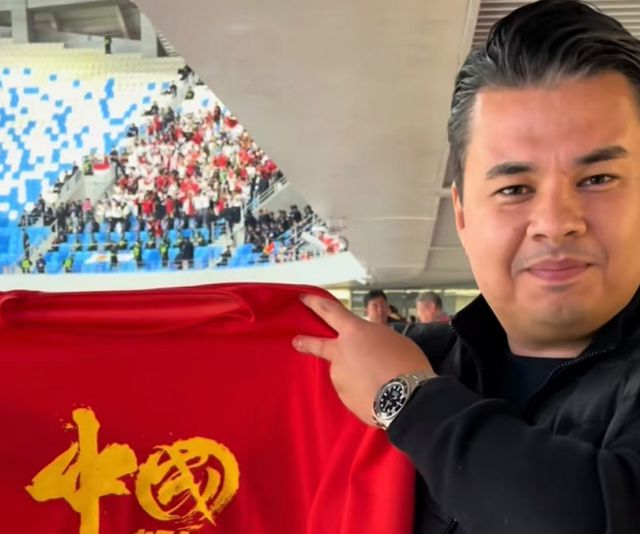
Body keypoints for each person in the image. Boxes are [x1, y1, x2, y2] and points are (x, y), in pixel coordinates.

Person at [293, 2, 640, 533]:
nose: (555, 223)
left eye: (597, 180)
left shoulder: (397, 381)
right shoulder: (395, 360)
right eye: (514, 189)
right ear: (461, 214)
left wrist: (407, 401)